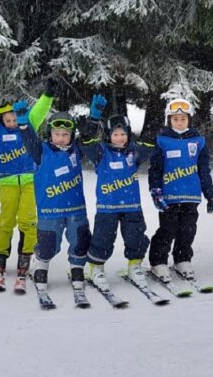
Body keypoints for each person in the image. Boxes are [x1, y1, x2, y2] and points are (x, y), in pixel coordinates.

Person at [0, 78, 55, 291]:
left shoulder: (27, 124)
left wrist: (48, 95)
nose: (12, 122)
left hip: (29, 179)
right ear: (1, 119)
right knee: (6, 219)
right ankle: (0, 254)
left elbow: (40, 109)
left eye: (14, 118)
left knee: (28, 219)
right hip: (7, 182)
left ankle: (26, 253)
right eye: (7, 119)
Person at [78, 95, 157, 288]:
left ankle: (135, 266)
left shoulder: (133, 152)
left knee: (136, 236)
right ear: (108, 135)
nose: (120, 138)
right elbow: (86, 143)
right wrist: (90, 123)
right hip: (108, 207)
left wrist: (149, 139)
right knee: (102, 238)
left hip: (132, 206)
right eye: (115, 134)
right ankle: (96, 267)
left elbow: (147, 150)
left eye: (123, 134)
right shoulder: (101, 152)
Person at [19, 102, 91, 303]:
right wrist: (24, 125)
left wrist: (92, 120)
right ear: (50, 134)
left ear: (71, 136)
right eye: (57, 134)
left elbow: (90, 140)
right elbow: (29, 141)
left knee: (80, 242)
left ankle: (77, 268)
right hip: (50, 211)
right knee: (49, 245)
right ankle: (40, 265)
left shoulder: (76, 150)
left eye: (65, 134)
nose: (61, 138)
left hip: (76, 209)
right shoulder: (40, 151)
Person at [146, 97, 213, 282]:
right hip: (169, 197)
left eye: (183, 118)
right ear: (168, 120)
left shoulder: (198, 142)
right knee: (167, 229)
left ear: (189, 119)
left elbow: (204, 171)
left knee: (188, 230)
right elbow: (155, 169)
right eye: (175, 119)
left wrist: (211, 196)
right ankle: (158, 262)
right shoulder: (162, 141)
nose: (179, 122)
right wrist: (155, 191)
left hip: (191, 197)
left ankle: (182, 259)